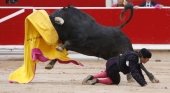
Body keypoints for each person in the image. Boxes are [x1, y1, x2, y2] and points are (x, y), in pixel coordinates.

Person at [82, 48, 159, 87]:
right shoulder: (134, 58)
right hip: (114, 67)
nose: (147, 61)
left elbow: (138, 70)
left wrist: (144, 82)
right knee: (115, 81)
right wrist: (143, 84)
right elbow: (134, 72)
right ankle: (97, 80)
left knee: (107, 72)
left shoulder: (134, 55)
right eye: (147, 59)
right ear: (143, 57)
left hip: (111, 61)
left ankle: (92, 76)